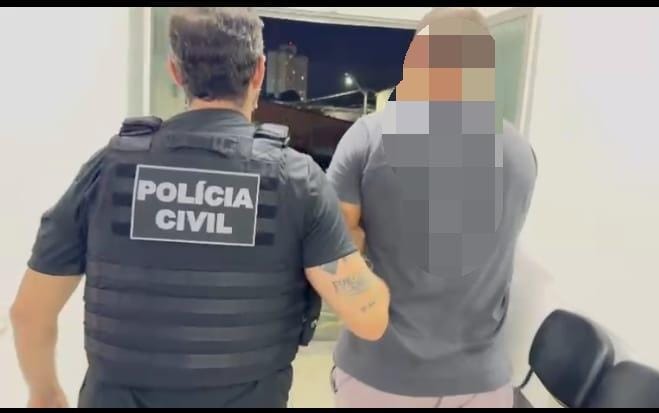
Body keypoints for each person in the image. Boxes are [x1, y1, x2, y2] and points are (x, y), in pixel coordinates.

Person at [10, 7, 389, 408]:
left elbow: (29, 312)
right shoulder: (296, 179)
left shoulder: (109, 168)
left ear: (176, 72)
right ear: (259, 71)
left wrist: (45, 393)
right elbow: (369, 317)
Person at [326, 7, 538, 408]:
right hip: (481, 385)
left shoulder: (368, 138)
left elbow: (334, 249)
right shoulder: (521, 154)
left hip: (380, 378)